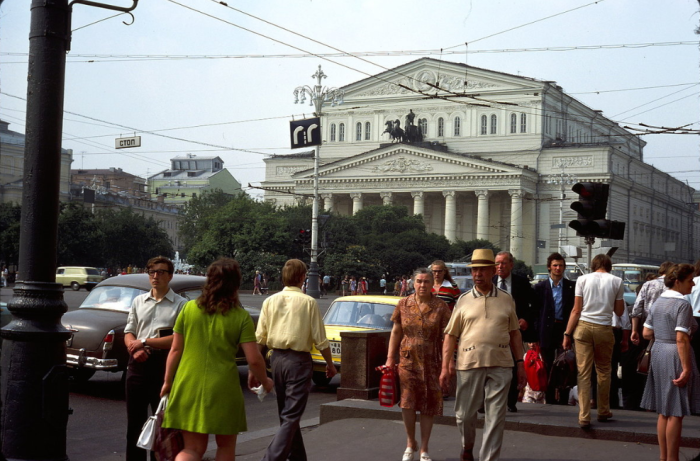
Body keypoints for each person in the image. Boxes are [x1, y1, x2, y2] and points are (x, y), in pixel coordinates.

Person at [160, 258, 273, 461]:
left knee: (192, 449)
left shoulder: (189, 309)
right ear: (235, 284)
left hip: (187, 383)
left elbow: (175, 350)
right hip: (223, 387)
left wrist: (168, 382)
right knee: (225, 447)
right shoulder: (240, 316)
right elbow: (254, 359)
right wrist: (265, 381)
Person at [440, 249, 526, 461]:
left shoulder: (506, 299)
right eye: (474, 270)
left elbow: (515, 334)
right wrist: (445, 366)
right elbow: (450, 336)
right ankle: (467, 445)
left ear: (492, 271)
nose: (477, 274)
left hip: (501, 364)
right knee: (464, 415)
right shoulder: (463, 300)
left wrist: (520, 363)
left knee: (496, 417)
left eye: (482, 269)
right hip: (469, 364)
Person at [253, 259, 337, 461]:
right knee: (291, 415)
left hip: (277, 360)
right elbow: (320, 339)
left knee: (287, 414)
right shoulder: (308, 302)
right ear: (302, 278)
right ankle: (272, 458)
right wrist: (330, 364)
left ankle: (297, 456)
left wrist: (256, 367)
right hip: (298, 361)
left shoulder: (269, 301)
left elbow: (260, 339)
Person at [123, 256, 186, 461]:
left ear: (170, 276)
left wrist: (145, 342)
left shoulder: (181, 305)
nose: (155, 276)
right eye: (152, 272)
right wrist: (135, 349)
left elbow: (178, 340)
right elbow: (128, 332)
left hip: (165, 365)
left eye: (160, 272)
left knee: (163, 423)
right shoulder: (138, 301)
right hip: (138, 365)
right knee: (135, 423)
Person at [385, 268, 451, 461]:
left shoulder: (440, 307)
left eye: (426, 282)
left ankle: (424, 449)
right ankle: (409, 443)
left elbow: (449, 336)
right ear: (413, 283)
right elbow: (396, 331)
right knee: (407, 402)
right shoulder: (403, 304)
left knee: (428, 404)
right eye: (419, 281)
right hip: (407, 360)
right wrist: (390, 358)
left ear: (432, 284)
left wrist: (448, 363)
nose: (422, 285)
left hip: (432, 361)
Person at [641, 263, 700, 461]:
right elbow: (681, 339)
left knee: (663, 411)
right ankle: (673, 459)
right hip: (675, 354)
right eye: (690, 280)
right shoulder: (683, 304)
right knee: (675, 411)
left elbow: (646, 332)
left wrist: (663, 332)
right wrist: (686, 368)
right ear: (678, 281)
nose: (692, 284)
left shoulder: (658, 302)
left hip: (658, 352)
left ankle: (663, 457)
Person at [562, 254, 625, 429]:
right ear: (609, 265)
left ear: (593, 265)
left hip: (582, 328)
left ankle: (584, 416)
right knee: (604, 371)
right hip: (604, 329)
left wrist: (567, 334)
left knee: (583, 373)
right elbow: (619, 312)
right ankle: (603, 411)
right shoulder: (617, 281)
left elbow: (576, 310)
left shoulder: (582, 279)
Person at [493, 251, 538, 412]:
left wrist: (526, 319)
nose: (500, 266)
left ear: (511, 265)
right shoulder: (489, 282)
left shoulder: (521, 283)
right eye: (497, 263)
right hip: (493, 332)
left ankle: (511, 401)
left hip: (514, 332)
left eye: (504, 263)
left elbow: (535, 305)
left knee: (512, 364)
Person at [627, 261, 673, 411]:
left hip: (647, 329)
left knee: (645, 363)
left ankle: (646, 402)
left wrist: (635, 330)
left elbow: (637, 309)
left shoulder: (648, 285)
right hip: (668, 331)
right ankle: (662, 402)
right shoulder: (674, 285)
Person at [533, 252, 575, 405]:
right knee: (548, 365)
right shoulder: (540, 287)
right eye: (555, 265)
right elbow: (536, 313)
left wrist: (570, 333)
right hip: (546, 331)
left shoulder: (571, 286)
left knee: (564, 364)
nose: (558, 268)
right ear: (549, 267)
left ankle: (563, 397)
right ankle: (550, 398)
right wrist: (534, 336)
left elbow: (574, 310)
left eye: (561, 265)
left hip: (564, 330)